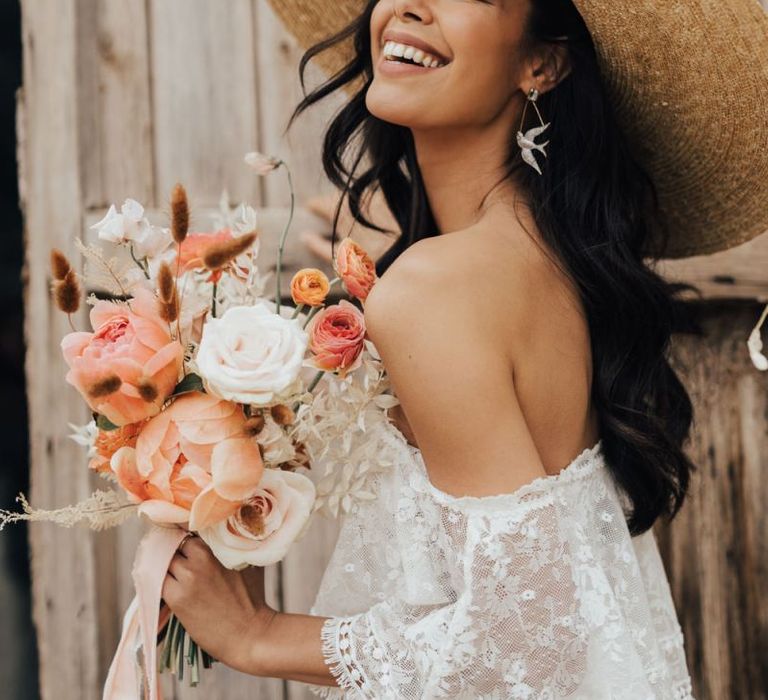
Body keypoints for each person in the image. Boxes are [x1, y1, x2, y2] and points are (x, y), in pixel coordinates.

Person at [160, 0, 768, 697]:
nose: (410, 4)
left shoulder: (438, 289)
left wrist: (258, 636)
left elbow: (525, 637)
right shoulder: (550, 259)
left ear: (543, 63)